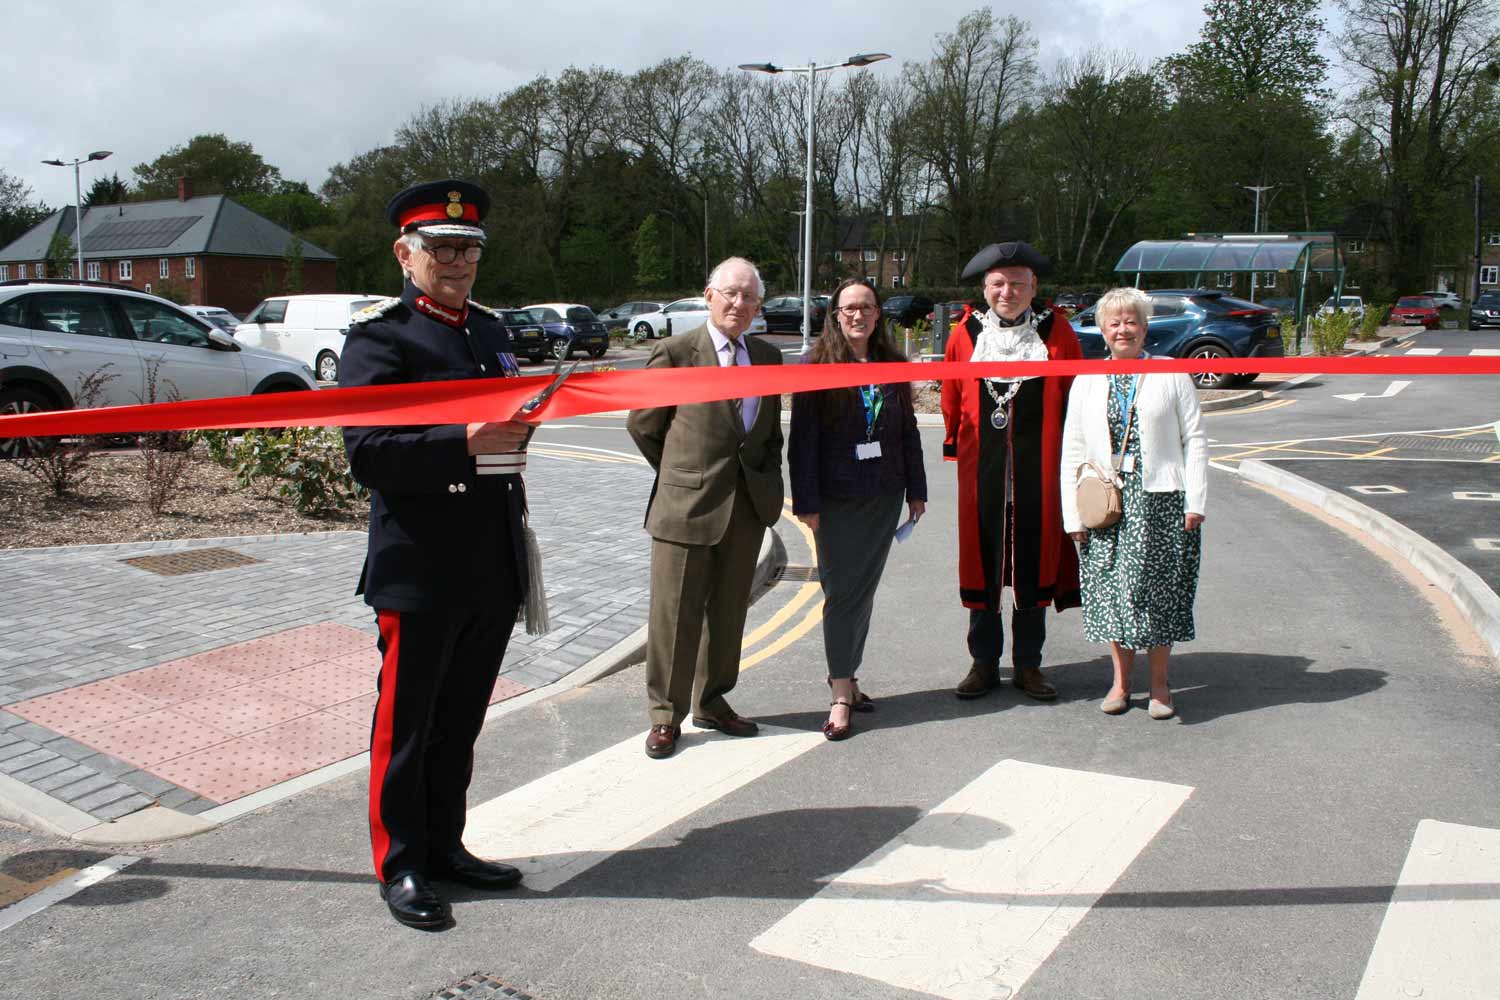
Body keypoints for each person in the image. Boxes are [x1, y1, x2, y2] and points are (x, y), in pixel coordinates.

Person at [340, 179, 532, 930]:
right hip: (419, 566)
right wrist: (463, 443)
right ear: (404, 254)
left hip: (489, 558)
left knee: (460, 722)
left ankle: (446, 846)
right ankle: (401, 865)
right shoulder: (380, 340)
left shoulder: (486, 334)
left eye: (469, 249)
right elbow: (369, 453)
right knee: (408, 727)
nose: (457, 262)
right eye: (442, 248)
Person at [627, 257, 785, 759]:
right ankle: (665, 716)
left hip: (746, 506)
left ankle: (712, 701)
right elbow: (644, 426)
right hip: (686, 507)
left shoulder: (766, 356)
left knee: (728, 613)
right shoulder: (674, 353)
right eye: (731, 293)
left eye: (750, 297)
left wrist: (766, 481)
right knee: (676, 615)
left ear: (759, 306)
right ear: (709, 295)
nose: (739, 304)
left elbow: (769, 432)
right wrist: (680, 475)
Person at [942, 241, 1082, 701]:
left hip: (1038, 471)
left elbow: (1075, 395)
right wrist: (955, 444)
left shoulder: (1056, 330)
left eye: (1017, 283)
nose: (1008, 292)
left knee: (1032, 563)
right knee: (983, 565)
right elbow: (950, 394)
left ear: (1033, 286)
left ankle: (1028, 665)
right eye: (998, 283)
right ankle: (983, 664)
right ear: (985, 287)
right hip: (981, 471)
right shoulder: (965, 332)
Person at [789, 278, 927, 741]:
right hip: (837, 498)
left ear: (877, 314)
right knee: (843, 593)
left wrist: (916, 490)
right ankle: (840, 695)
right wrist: (805, 501)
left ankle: (846, 676)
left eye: (866, 307)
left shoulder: (893, 364)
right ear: (835, 315)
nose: (857, 315)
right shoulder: (817, 365)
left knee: (861, 592)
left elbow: (907, 430)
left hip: (883, 494)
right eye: (848, 308)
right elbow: (802, 440)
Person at [1060, 286, 1207, 720]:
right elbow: (1074, 447)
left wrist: (1195, 500)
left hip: (1161, 499)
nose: (1123, 329)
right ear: (1102, 330)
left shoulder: (1171, 373)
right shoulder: (1087, 378)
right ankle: (1121, 683)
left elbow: (1194, 440)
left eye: (1132, 322)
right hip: (1104, 501)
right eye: (1115, 322)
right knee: (1111, 591)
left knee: (1160, 593)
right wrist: (1072, 515)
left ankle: (1160, 685)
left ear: (1145, 328)